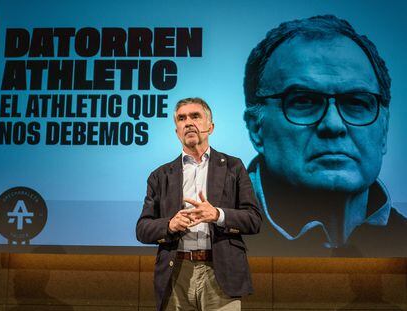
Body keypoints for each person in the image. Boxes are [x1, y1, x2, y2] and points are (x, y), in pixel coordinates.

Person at [243, 15, 407, 257]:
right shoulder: (207, 241)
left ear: (384, 130)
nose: (333, 124)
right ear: (257, 128)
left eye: (356, 102)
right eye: (303, 101)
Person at [136, 97, 262, 310]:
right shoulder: (160, 176)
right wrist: (169, 225)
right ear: (177, 131)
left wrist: (218, 215)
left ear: (210, 127)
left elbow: (254, 219)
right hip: (176, 273)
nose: (188, 122)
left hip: (220, 271)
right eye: (182, 118)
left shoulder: (233, 167)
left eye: (195, 116)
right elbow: (142, 229)